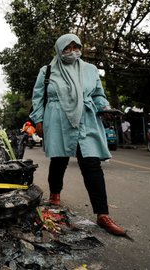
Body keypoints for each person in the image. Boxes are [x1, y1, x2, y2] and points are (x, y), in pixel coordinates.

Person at [29, 33, 127, 236]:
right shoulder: (47, 70)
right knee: (59, 159)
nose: (73, 51)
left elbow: (99, 95)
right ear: (59, 49)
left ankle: (103, 214)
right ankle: (55, 194)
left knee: (91, 164)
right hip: (57, 118)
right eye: (68, 48)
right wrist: (38, 120)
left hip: (86, 119)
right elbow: (38, 96)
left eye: (76, 47)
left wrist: (105, 107)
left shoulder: (90, 70)